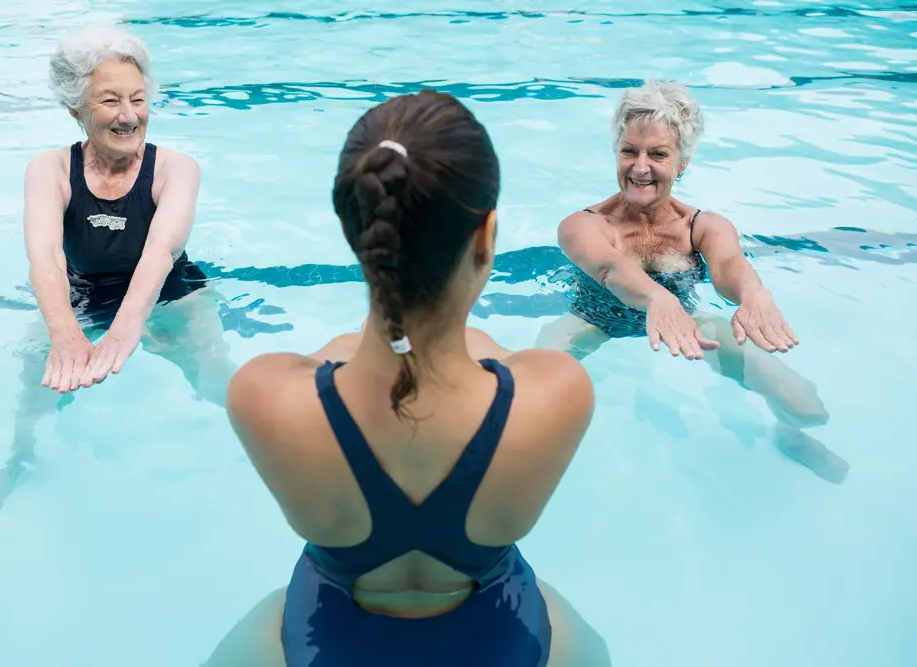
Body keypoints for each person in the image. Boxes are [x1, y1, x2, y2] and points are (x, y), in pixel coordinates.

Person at [219, 91, 611, 666]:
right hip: (503, 638)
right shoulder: (557, 392)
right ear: (486, 235)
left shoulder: (265, 395)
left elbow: (343, 355)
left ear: (354, 229)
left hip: (324, 641)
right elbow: (486, 355)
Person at [0, 25, 236, 511]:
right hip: (83, 290)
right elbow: (46, 257)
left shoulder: (177, 168)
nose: (130, 116)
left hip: (171, 289)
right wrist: (64, 330)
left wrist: (127, 327)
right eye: (110, 101)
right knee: (37, 380)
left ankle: (252, 455)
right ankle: (19, 460)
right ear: (75, 108)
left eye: (138, 98)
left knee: (215, 376)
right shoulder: (48, 170)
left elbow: (160, 253)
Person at [536, 80, 848, 484]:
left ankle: (789, 436)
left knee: (806, 406)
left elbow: (730, 267)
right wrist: (654, 298)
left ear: (682, 163)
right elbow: (609, 268)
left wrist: (753, 292)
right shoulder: (584, 224)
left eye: (658, 154)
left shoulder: (703, 226)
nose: (640, 167)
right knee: (528, 390)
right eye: (629, 151)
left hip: (687, 321)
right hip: (594, 318)